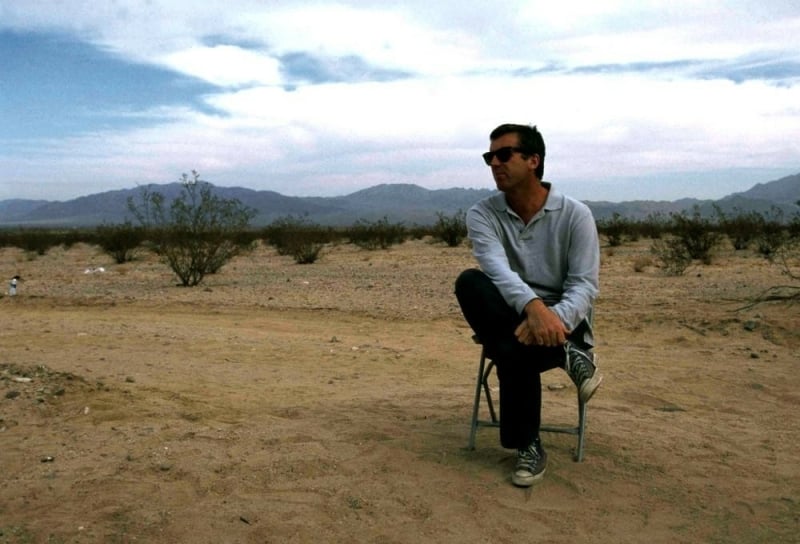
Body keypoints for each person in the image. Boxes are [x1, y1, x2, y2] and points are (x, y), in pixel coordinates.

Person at [455, 123, 602, 487]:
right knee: (470, 282)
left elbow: (584, 285)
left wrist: (552, 319)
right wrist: (532, 309)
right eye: (489, 157)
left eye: (504, 155)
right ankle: (570, 356)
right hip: (508, 309)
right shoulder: (482, 214)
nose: (494, 163)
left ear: (534, 160)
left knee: (509, 349)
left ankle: (527, 444)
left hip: (563, 318)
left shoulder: (575, 215)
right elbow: (497, 272)